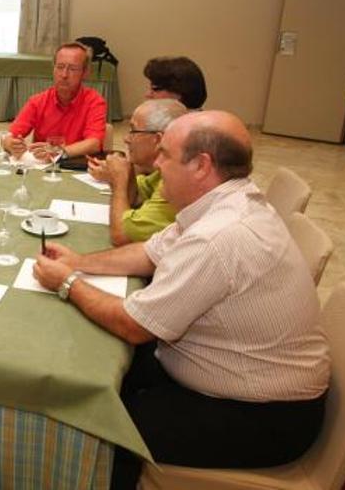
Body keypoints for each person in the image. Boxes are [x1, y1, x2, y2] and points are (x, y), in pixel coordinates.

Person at [33, 111, 329, 489]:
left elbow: (133, 325)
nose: (156, 163)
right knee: (94, 368)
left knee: (101, 425)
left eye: (166, 155)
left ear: (201, 166)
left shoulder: (219, 237)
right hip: (236, 375)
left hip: (264, 416)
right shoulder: (225, 203)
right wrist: (80, 262)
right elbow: (149, 252)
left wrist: (70, 282)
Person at [87, 99, 187, 245]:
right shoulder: (162, 168)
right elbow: (136, 197)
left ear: (158, 139)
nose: (126, 139)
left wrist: (119, 180)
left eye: (133, 131)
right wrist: (127, 167)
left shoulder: (178, 179)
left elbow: (121, 236)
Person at [3, 42, 106, 160]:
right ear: (53, 69)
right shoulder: (37, 101)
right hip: (43, 169)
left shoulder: (95, 101)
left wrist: (59, 152)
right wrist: (8, 143)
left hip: (76, 167)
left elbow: (94, 144)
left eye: (72, 69)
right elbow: (10, 135)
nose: (64, 75)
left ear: (85, 73)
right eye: (60, 67)